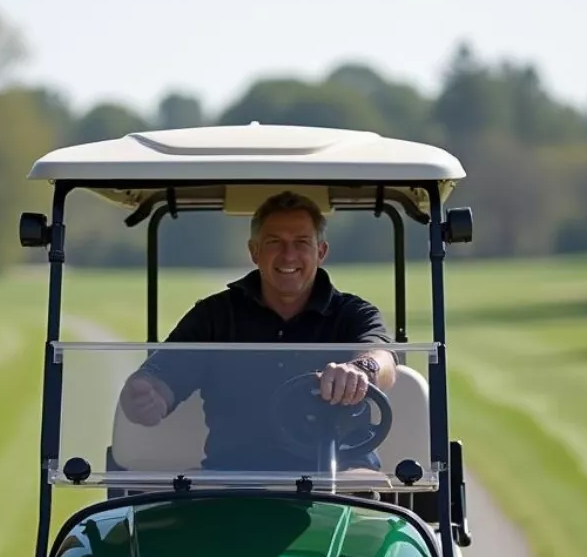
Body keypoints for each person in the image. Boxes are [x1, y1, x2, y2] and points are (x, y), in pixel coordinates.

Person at [118, 191, 397, 471]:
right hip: (237, 480)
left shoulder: (353, 313)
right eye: (274, 242)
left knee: (362, 493)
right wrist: (145, 395)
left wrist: (361, 369)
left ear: (320, 251)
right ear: (254, 251)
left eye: (301, 242)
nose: (288, 255)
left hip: (338, 473)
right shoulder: (215, 316)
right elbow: (162, 376)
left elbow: (382, 358)